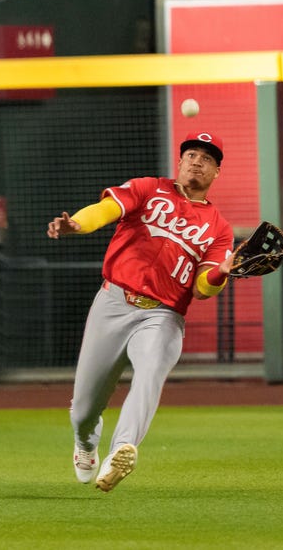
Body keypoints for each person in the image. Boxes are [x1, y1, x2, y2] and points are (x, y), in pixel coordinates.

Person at [47, 131, 235, 492]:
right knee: (84, 408)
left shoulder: (219, 229)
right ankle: (86, 440)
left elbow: (202, 287)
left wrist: (221, 273)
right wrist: (77, 225)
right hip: (114, 302)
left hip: (162, 316)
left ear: (216, 173)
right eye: (191, 154)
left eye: (207, 158)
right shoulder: (149, 188)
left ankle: (122, 449)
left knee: (149, 373)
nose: (197, 161)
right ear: (179, 162)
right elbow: (106, 210)